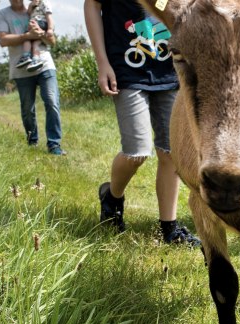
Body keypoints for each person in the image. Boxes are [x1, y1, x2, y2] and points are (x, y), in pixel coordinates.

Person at [84, 0, 200, 245]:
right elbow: (92, 5)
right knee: (137, 151)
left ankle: (169, 228)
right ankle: (112, 196)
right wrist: (102, 63)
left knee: (171, 153)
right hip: (125, 70)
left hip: (170, 70)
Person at [0, 0, 66, 155]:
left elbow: (52, 41)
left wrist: (41, 34)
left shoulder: (37, 8)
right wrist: (27, 35)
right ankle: (32, 141)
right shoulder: (2, 14)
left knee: (52, 101)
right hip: (21, 68)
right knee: (28, 108)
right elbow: (3, 40)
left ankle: (54, 144)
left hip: (45, 64)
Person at [16, 0, 55, 72]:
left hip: (41, 23)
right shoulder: (32, 4)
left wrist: (50, 29)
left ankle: (26, 56)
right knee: (35, 42)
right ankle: (35, 59)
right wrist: (31, 6)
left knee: (27, 38)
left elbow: (49, 17)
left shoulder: (45, 2)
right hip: (33, 23)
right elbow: (28, 13)